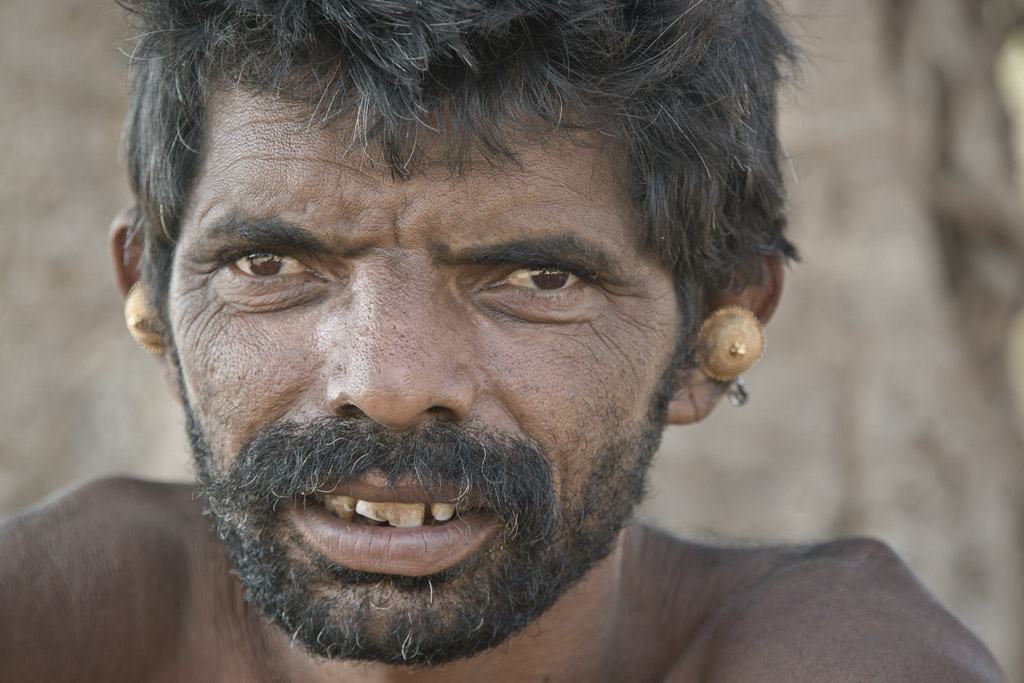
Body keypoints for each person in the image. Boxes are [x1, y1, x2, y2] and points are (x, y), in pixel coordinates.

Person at [0, 0, 1004, 681]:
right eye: (270, 265)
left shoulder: (832, 651)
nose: (388, 382)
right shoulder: (85, 617)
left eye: (536, 277)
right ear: (154, 301)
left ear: (711, 334)